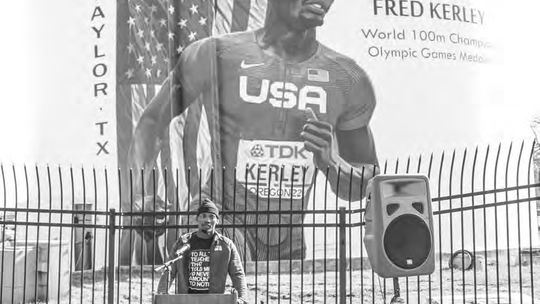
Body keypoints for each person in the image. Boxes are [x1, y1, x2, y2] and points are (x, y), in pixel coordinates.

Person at [129, 0, 380, 261]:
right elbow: (151, 122)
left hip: (288, 242)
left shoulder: (348, 79)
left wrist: (332, 163)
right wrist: (139, 196)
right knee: (219, 266)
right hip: (219, 219)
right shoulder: (216, 54)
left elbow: (367, 182)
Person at [156, 198, 247, 303]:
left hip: (213, 301)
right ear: (197, 219)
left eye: (211, 216)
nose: (207, 220)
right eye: (203, 216)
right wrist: (162, 295)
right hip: (187, 300)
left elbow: (237, 274)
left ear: (217, 220)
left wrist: (242, 299)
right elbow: (169, 271)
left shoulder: (226, 246)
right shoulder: (183, 243)